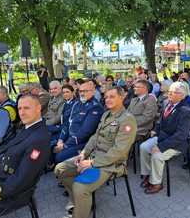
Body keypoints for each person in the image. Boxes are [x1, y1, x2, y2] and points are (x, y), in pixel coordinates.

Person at [55, 86, 136, 218]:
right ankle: (81, 202)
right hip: (93, 157)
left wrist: (92, 163)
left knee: (80, 187)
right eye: (106, 97)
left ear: (121, 97)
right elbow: (94, 137)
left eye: (112, 96)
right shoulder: (106, 114)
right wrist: (83, 153)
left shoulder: (127, 119)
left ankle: (80, 211)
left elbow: (119, 151)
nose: (108, 99)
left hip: (111, 164)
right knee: (60, 169)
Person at [140, 82, 190, 194]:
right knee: (143, 147)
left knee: (157, 155)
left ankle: (156, 183)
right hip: (162, 137)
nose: (169, 94)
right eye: (169, 91)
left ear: (182, 96)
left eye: (173, 92)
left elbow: (181, 135)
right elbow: (160, 122)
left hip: (177, 143)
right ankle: (148, 174)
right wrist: (155, 130)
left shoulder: (185, 111)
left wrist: (160, 147)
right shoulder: (167, 103)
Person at [53, 80, 104, 163]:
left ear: (93, 91)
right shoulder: (77, 104)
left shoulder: (95, 107)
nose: (82, 93)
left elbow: (85, 132)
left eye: (85, 91)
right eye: (80, 91)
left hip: (82, 142)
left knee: (59, 156)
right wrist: (61, 140)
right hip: (69, 137)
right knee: (50, 145)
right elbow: (68, 123)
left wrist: (65, 145)